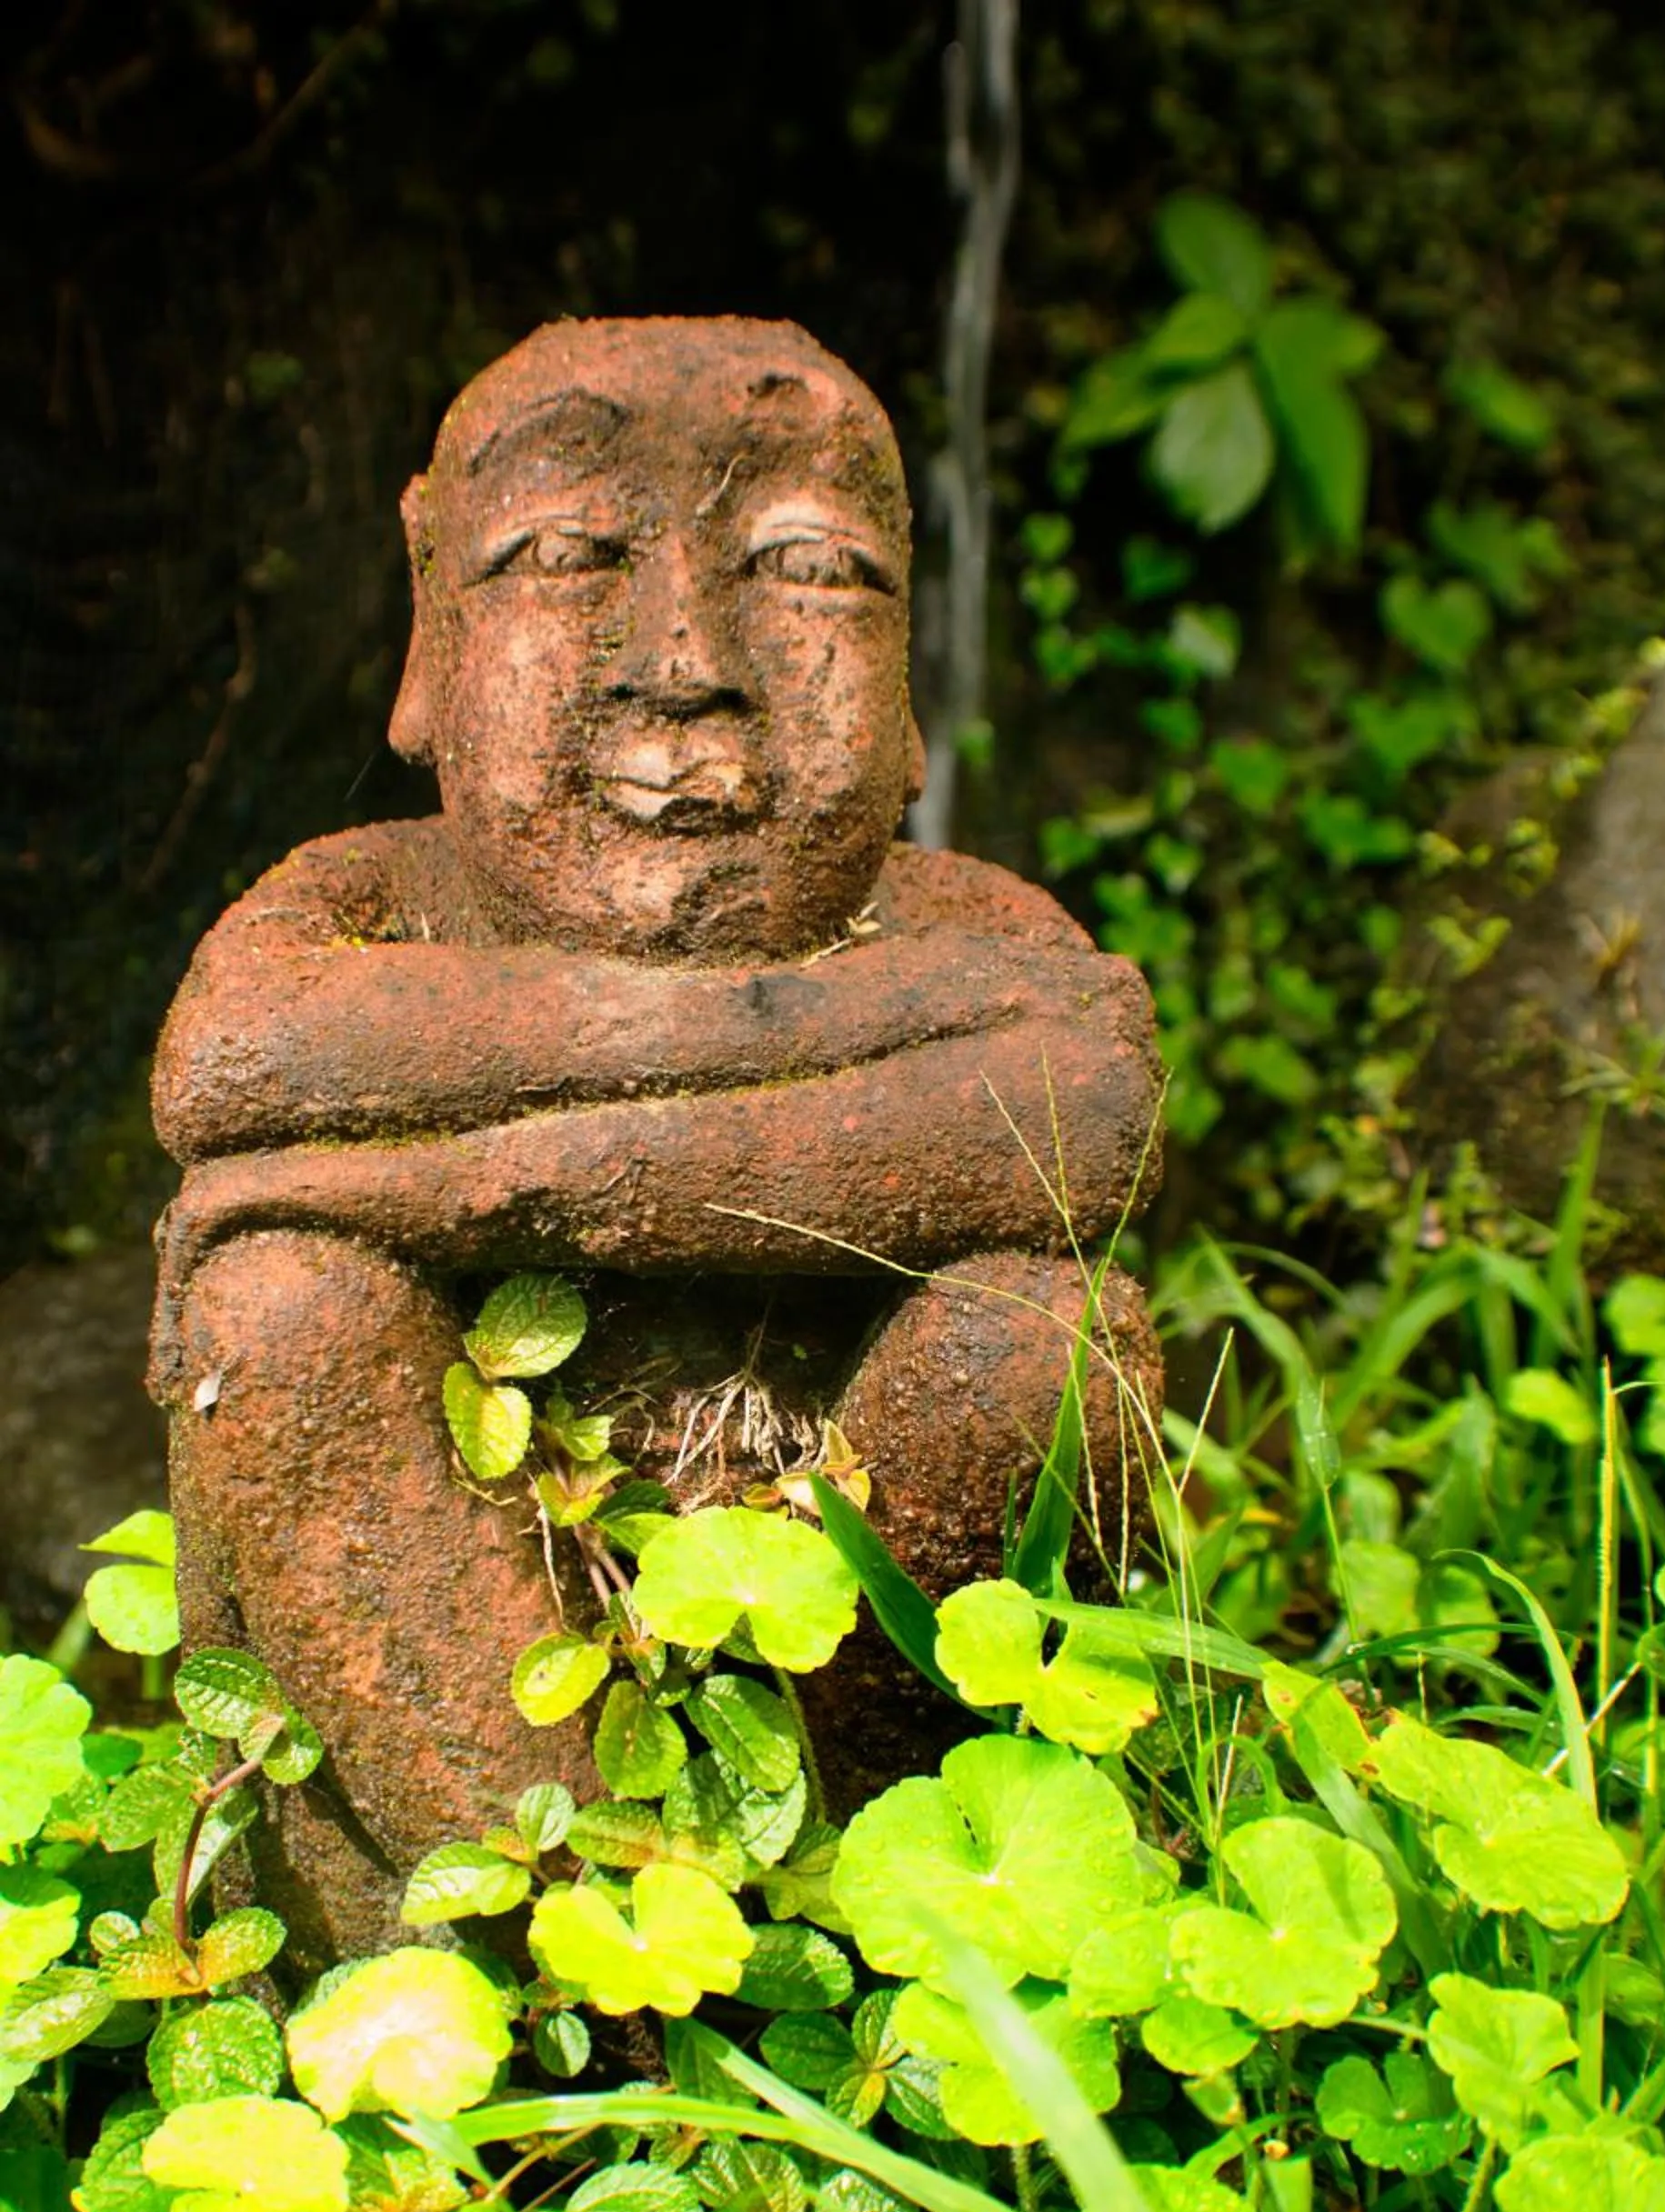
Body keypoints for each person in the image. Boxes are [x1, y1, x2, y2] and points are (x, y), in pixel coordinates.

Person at [151, 316, 1162, 1960]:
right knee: (280, 1317)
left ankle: (834, 1945)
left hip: (854, 1730)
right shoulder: (366, 902)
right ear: (430, 630)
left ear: (915, 678)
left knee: (1043, 1348)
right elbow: (235, 1058)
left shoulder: (972, 922)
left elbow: (1090, 1119)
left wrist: (454, 1171)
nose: (683, 657)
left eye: (811, 567)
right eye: (565, 554)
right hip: (429, 1821)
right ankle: (604, 1972)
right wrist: (858, 1072)